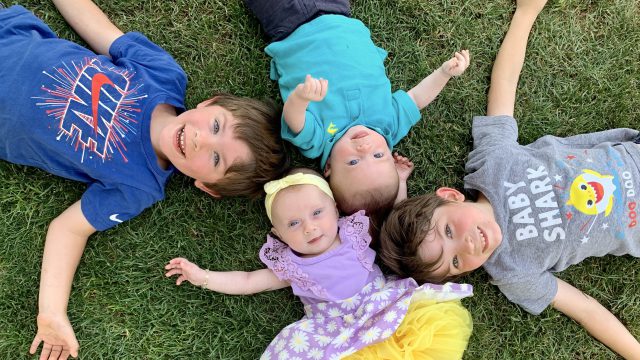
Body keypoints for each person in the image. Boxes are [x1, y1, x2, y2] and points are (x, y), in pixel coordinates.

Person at [0, 2, 287, 359]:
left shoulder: (138, 187)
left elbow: (68, 229)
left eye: (216, 158)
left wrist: (52, 312)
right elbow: (100, 31)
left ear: (207, 186)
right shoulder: (163, 74)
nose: (201, 140)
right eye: (216, 126)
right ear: (211, 102)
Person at [379, 0, 640, 358]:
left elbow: (504, 87)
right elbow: (584, 307)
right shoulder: (512, 272)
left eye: (449, 232)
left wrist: (526, 13)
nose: (467, 247)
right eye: (454, 262)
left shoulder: (492, 163)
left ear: (451, 196)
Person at [166, 169, 473, 359]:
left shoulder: (356, 233)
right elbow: (248, 281)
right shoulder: (292, 267)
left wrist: (400, 181)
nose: (310, 228)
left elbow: (396, 219)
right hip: (336, 328)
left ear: (335, 208)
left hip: (384, 307)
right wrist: (203, 276)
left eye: (316, 214)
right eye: (294, 223)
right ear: (279, 235)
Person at [244, 0, 470, 216]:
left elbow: (295, 121)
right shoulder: (389, 125)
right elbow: (417, 98)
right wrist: (444, 74)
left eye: (353, 162)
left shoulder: (319, 142)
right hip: (338, 13)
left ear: (329, 168)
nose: (364, 148)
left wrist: (301, 99)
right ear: (391, 157)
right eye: (378, 155)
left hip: (290, 25)